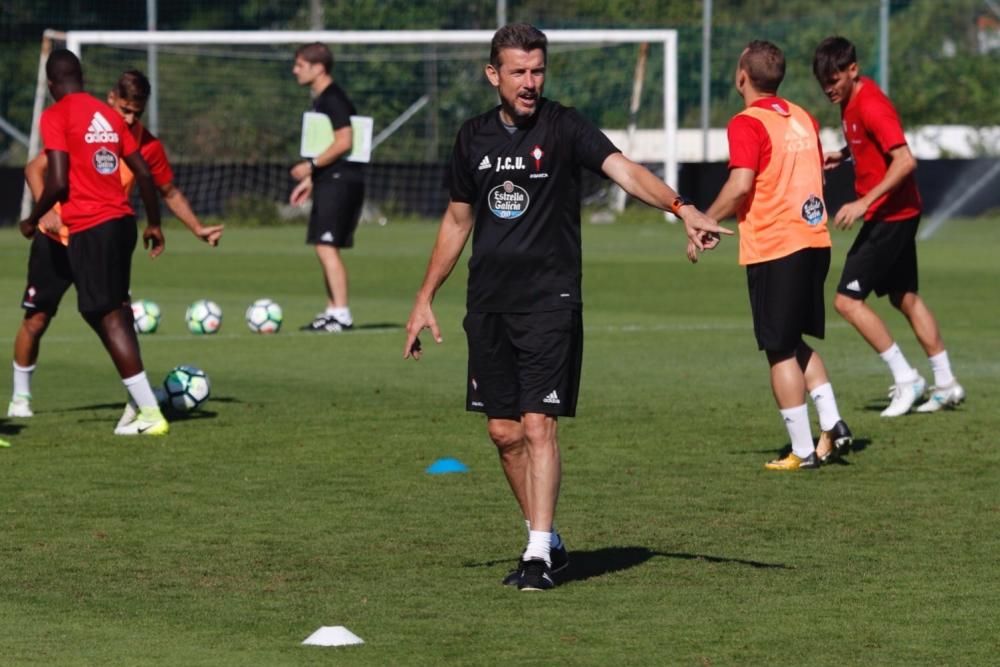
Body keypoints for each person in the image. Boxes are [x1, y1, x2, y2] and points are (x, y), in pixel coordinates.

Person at [403, 24, 731, 590]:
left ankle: (535, 555)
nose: (530, 83)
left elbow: (624, 171)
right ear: (494, 75)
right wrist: (424, 296)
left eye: (538, 71)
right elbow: (458, 221)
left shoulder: (564, 126)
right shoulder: (472, 138)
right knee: (503, 434)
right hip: (487, 304)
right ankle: (547, 539)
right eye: (519, 72)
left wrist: (682, 206)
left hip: (549, 301)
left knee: (538, 424)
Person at [9, 69, 224, 420]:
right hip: (57, 238)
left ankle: (138, 400)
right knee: (37, 319)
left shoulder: (147, 145)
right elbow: (36, 169)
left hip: (97, 237)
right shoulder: (87, 126)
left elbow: (166, 190)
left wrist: (196, 227)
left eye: (137, 113)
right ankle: (20, 398)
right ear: (110, 98)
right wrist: (43, 211)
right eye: (125, 109)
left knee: (115, 316)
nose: (129, 117)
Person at [688, 41, 853, 470]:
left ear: (742, 76)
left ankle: (801, 453)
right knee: (794, 341)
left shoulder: (747, 122)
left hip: (777, 246)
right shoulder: (803, 116)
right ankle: (833, 424)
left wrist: (704, 219)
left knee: (778, 349)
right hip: (815, 241)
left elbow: (742, 184)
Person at [15, 49, 168, 435]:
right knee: (110, 309)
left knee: (105, 313)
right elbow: (144, 174)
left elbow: (59, 181)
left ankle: (148, 410)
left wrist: (33, 218)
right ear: (81, 77)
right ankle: (138, 402)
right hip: (122, 224)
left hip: (91, 227)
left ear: (51, 85)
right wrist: (154, 224)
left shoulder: (56, 115)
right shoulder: (108, 115)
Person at [812, 36, 963, 417]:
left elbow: (905, 161)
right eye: (823, 82)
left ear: (853, 69)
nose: (829, 88)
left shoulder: (872, 104)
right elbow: (869, 142)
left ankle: (907, 378)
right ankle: (945, 383)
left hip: (889, 217)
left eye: (834, 80)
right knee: (904, 297)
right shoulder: (850, 101)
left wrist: (863, 202)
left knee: (846, 301)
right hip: (899, 212)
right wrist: (844, 155)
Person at [289, 42, 364, 333]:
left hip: (341, 181)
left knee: (326, 246)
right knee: (324, 245)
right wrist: (310, 181)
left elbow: (345, 141)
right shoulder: (322, 98)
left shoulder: (333, 98)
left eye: (300, 65)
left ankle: (342, 314)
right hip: (330, 179)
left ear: (318, 67)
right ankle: (332, 310)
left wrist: (310, 167)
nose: (295, 70)